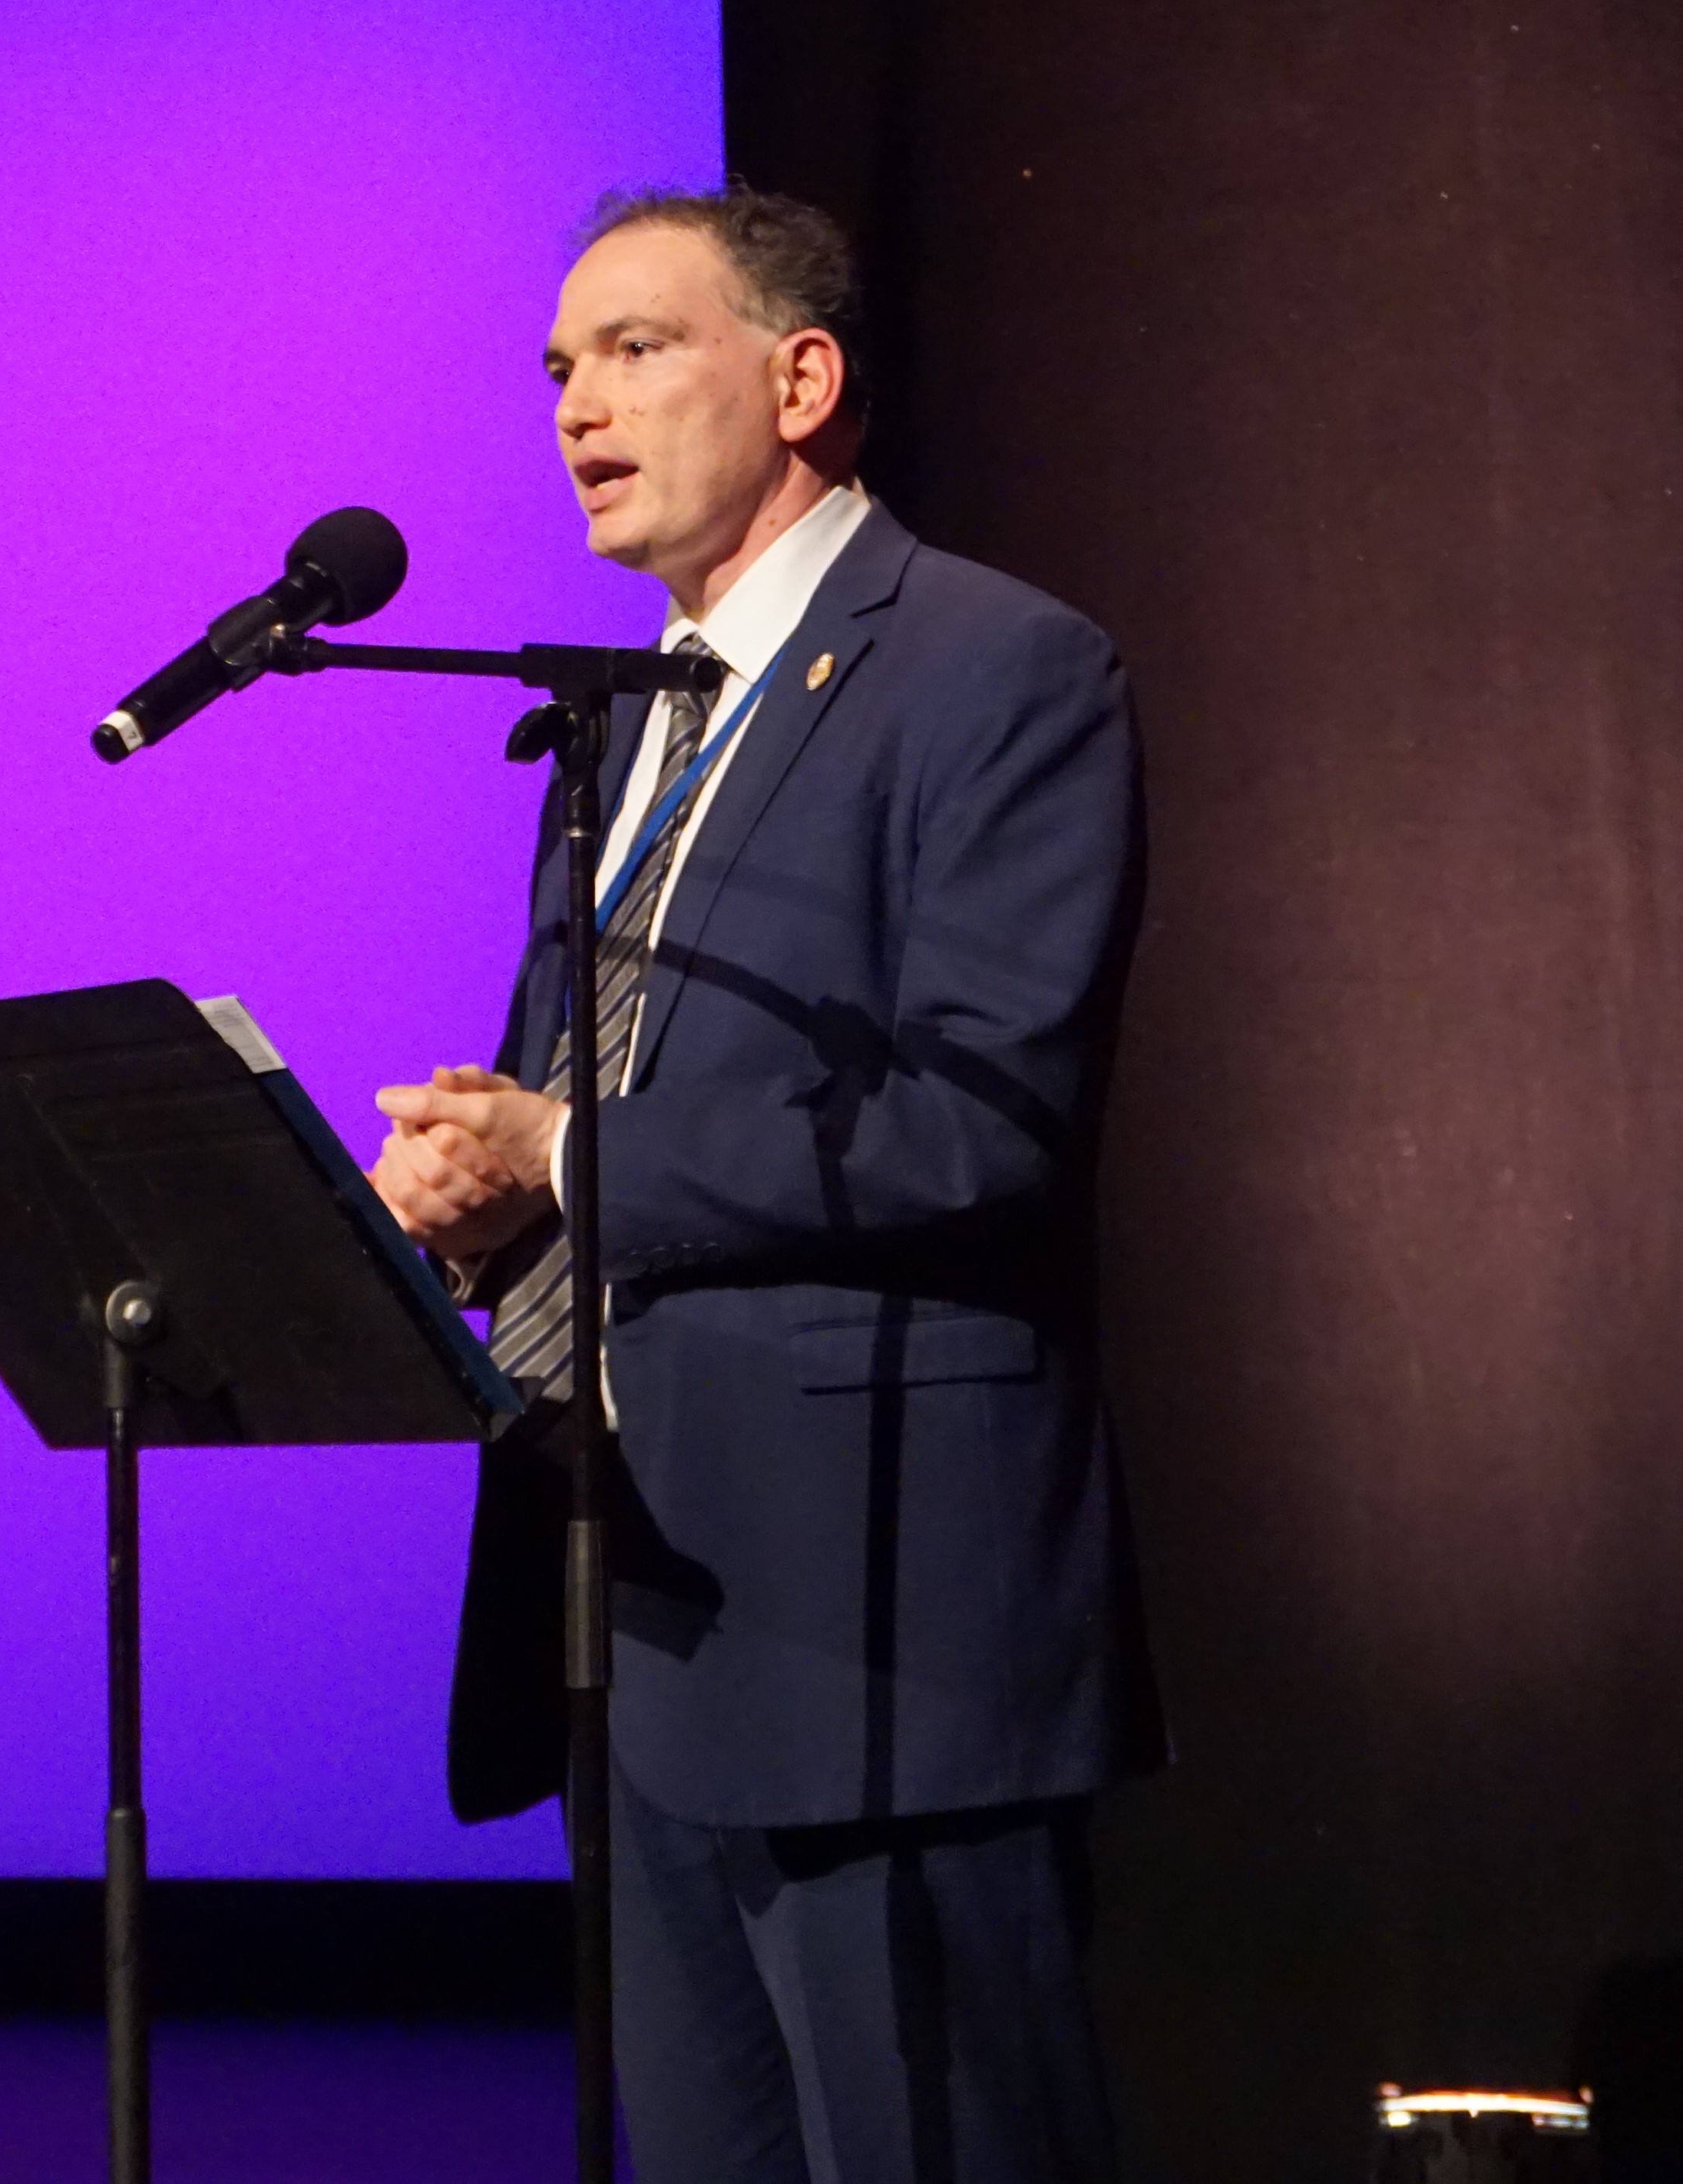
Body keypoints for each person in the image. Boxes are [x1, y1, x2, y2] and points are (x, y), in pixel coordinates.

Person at [367, 187, 1162, 2184]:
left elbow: (975, 1118)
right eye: (556, 366)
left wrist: (576, 1148)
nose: (574, 406)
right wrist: (493, 1184)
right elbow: (601, 1106)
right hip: (628, 1593)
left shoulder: (993, 665)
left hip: (877, 1613)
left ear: (799, 377)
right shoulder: (622, 719)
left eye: (637, 347)